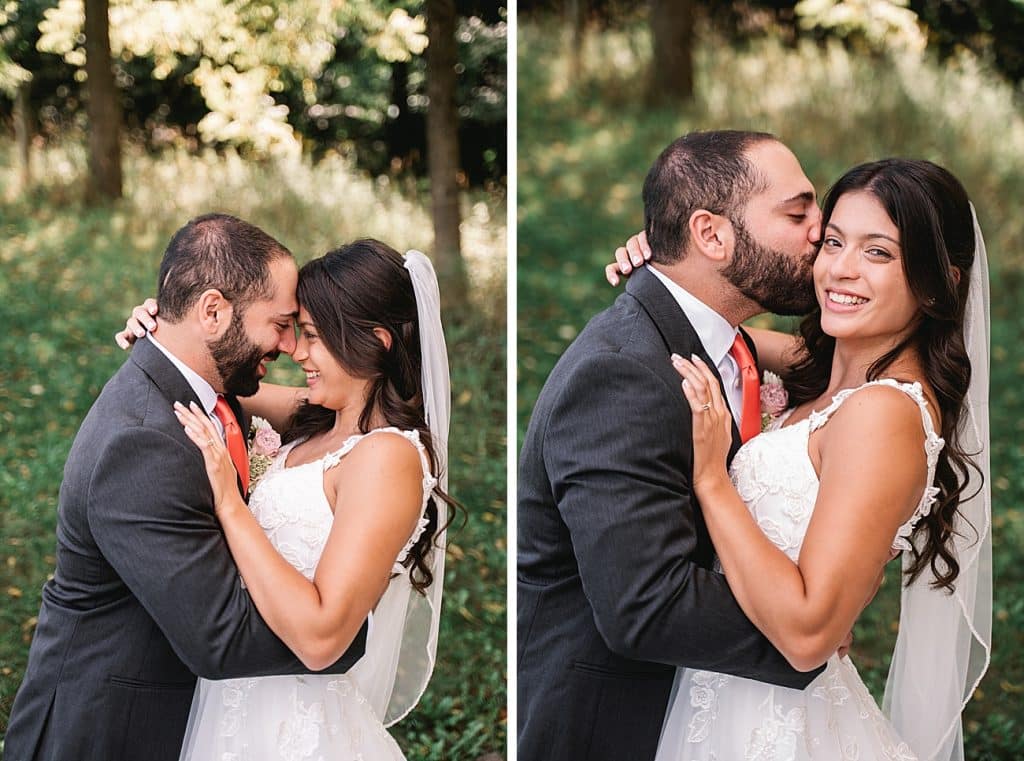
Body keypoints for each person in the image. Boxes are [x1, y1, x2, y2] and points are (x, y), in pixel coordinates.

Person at [611, 159, 991, 760]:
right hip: (724, 689)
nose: (841, 269)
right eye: (834, 242)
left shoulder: (883, 415)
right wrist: (670, 263)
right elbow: (706, 329)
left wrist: (712, 480)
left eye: (879, 253)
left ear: (937, 279)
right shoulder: (830, 374)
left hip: (779, 721)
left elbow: (810, 634)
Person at [518, 130, 838, 761]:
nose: (820, 233)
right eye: (798, 213)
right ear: (712, 235)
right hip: (615, 727)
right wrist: (808, 626)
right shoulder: (621, 375)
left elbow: (837, 368)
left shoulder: (717, 341)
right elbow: (644, 604)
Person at [4, 214, 367, 761]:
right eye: (281, 323)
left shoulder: (206, 389)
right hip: (108, 732)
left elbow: (335, 421)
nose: (288, 345)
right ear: (214, 311)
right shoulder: (143, 443)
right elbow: (220, 637)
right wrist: (343, 629)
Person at [120, 238, 454, 760]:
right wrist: (165, 329)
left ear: (378, 342)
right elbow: (210, 375)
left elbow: (322, 639)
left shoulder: (387, 459)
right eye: (297, 331)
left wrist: (231, 506)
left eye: (315, 337)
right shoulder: (319, 417)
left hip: (298, 730)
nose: (296, 351)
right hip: (231, 704)